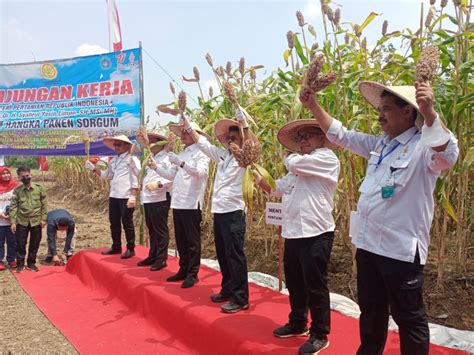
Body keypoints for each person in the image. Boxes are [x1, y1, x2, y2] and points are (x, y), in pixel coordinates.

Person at [300, 81, 459, 355]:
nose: (379, 114)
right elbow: (340, 135)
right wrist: (312, 104)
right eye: (379, 108)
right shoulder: (379, 145)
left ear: (408, 112)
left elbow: (449, 154)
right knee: (371, 312)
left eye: (386, 109)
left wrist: (430, 112)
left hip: (400, 252)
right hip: (368, 246)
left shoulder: (424, 147)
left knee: (409, 318)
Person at [253, 119, 340, 354]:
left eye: (308, 136)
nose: (303, 141)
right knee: (294, 281)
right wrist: (258, 177)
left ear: (322, 138)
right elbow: (276, 188)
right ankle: (298, 322)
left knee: (316, 285)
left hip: (317, 232)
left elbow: (294, 164)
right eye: (299, 138)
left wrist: (288, 156)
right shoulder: (299, 168)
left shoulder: (325, 159)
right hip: (294, 232)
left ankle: (320, 333)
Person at [181, 111, 255, 313]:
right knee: (223, 254)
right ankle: (228, 289)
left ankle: (241, 298)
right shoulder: (224, 156)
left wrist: (245, 124)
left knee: (234, 255)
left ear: (241, 138)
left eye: (234, 137)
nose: (230, 140)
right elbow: (203, 145)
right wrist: (186, 122)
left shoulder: (245, 158)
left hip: (234, 212)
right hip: (220, 211)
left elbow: (253, 146)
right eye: (228, 137)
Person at [152, 122, 210, 288]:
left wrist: (181, 163)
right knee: (181, 238)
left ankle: (193, 273)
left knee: (192, 240)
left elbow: (200, 173)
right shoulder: (183, 153)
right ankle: (183, 269)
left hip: (191, 201)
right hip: (178, 200)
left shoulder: (201, 153)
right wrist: (156, 168)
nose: (183, 135)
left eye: (186, 132)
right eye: (182, 133)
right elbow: (172, 176)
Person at [85, 135, 140, 259]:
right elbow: (108, 176)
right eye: (115, 145)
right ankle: (116, 246)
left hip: (126, 195)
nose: (116, 147)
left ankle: (131, 248)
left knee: (127, 222)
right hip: (114, 194)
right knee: (114, 222)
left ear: (127, 146)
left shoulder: (132, 159)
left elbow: (136, 177)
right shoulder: (113, 160)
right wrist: (94, 169)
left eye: (119, 144)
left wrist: (133, 195)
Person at [132, 131, 172, 271]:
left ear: (161, 143)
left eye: (155, 141)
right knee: (152, 228)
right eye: (150, 141)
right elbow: (144, 176)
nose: (151, 143)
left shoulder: (167, 158)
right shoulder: (150, 158)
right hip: (149, 198)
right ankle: (153, 255)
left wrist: (159, 183)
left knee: (160, 229)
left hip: (160, 197)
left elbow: (172, 176)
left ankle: (161, 258)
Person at [10, 166, 48, 273]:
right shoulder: (17, 191)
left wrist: (44, 219)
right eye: (23, 176)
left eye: (27, 175)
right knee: (20, 243)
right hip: (22, 221)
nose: (26, 178)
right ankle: (20, 264)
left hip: (36, 221)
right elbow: (13, 207)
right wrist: (13, 222)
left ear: (31, 175)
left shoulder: (39, 188)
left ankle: (31, 263)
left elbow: (44, 205)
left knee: (35, 243)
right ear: (19, 177)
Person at [0, 166, 20, 270]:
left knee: (12, 241)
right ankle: (0, 261)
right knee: (0, 241)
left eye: (7, 173)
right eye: (3, 173)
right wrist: (1, 214)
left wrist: (13, 215)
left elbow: (19, 202)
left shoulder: (16, 187)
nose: (6, 175)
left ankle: (11, 260)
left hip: (12, 220)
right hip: (0, 221)